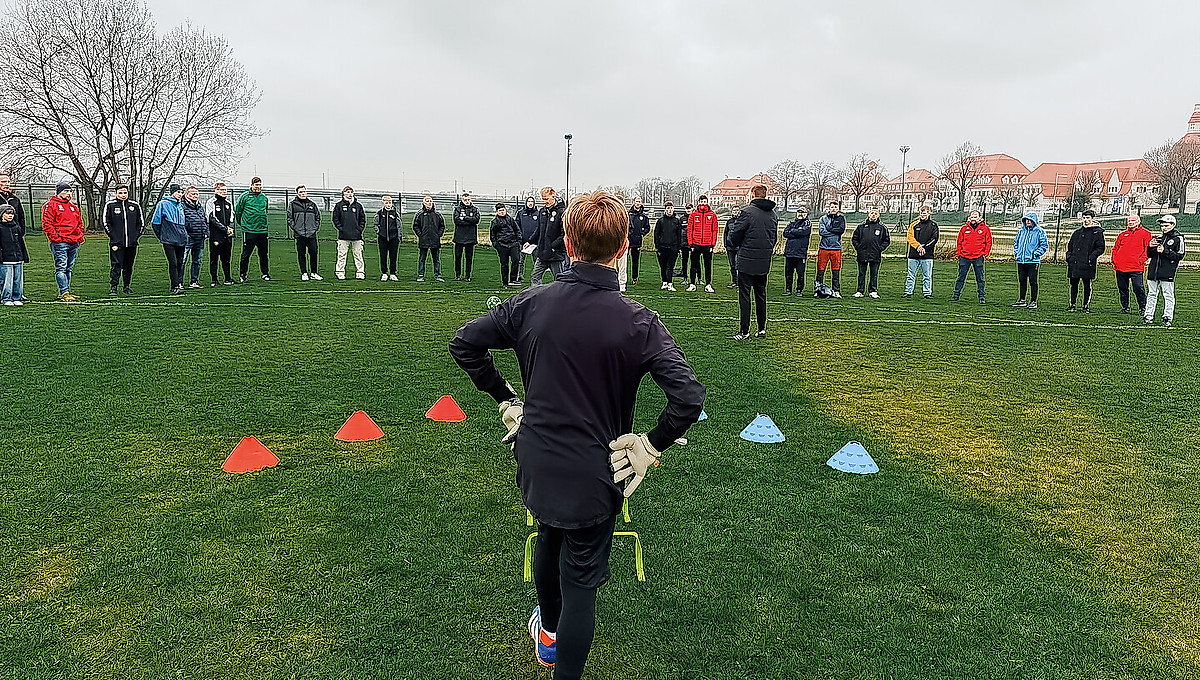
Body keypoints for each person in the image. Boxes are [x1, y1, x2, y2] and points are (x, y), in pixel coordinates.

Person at [449, 190, 705, 680]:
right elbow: (689, 398)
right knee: (580, 581)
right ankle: (554, 645)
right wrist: (651, 444)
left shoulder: (532, 303)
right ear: (624, 248)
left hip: (539, 459)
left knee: (549, 533)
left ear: (567, 243)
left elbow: (465, 343)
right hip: (597, 468)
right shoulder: (638, 320)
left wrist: (505, 398)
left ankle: (549, 634)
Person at [728, 185, 778, 339]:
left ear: (752, 195)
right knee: (761, 295)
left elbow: (735, 237)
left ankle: (744, 331)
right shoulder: (773, 215)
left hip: (747, 261)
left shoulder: (747, 213)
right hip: (763, 261)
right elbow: (774, 238)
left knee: (745, 296)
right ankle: (761, 329)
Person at [42, 182, 85, 301]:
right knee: (61, 267)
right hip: (60, 242)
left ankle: (66, 291)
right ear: (59, 192)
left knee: (68, 268)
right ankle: (64, 292)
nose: (69, 194)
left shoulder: (73, 207)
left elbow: (79, 223)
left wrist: (79, 236)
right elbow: (47, 224)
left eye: (70, 191)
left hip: (74, 241)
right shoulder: (51, 205)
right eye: (65, 191)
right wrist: (56, 238)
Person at [1145, 214, 1186, 327]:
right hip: (1153, 271)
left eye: (1166, 226)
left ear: (1173, 225)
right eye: (1162, 226)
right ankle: (1148, 316)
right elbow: (1149, 255)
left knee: (1168, 295)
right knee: (1151, 294)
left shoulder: (1178, 238)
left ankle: (1167, 317)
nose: (1163, 228)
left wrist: (1165, 251)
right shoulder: (1159, 238)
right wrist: (1150, 246)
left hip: (1167, 271)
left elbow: (1180, 255)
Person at [103, 183, 144, 295]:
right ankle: (114, 287)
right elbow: (106, 222)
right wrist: (113, 236)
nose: (123, 195)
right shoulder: (110, 205)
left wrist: (135, 237)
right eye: (120, 193)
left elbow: (140, 223)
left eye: (125, 192)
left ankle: (126, 287)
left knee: (128, 266)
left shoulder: (134, 206)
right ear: (116, 194)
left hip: (131, 243)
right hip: (117, 243)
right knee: (116, 265)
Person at [1112, 213, 1152, 315]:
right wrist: (1115, 260)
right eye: (1129, 220)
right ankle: (1125, 307)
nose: (1130, 222)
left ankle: (1143, 308)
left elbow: (1147, 250)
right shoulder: (1122, 235)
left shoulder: (1146, 234)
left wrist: (1140, 261)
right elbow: (1115, 248)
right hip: (1120, 267)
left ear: (1138, 221)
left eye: (1133, 220)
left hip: (1136, 267)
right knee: (1122, 288)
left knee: (1138, 288)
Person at [1065, 209, 1105, 312]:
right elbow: (1070, 246)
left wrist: (1091, 258)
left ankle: (1085, 306)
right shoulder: (1077, 233)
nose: (1086, 220)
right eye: (1084, 218)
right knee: (1074, 285)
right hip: (1075, 263)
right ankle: (1072, 304)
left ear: (1092, 219)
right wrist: (1069, 257)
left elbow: (1100, 248)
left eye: (1088, 218)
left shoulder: (1097, 233)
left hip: (1088, 264)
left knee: (1087, 285)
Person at [151, 184, 188, 294]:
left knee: (180, 262)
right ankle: (174, 286)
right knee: (173, 263)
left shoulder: (181, 205)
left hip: (181, 238)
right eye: (178, 192)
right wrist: (162, 236)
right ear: (172, 192)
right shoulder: (163, 204)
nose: (180, 194)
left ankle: (179, 283)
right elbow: (155, 222)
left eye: (181, 192)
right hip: (169, 239)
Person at [528, 186, 568, 285]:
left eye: (546, 199)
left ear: (553, 196)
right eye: (543, 199)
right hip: (542, 252)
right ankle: (537, 293)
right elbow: (539, 230)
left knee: (559, 279)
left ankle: (560, 294)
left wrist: (552, 246)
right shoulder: (542, 211)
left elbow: (564, 234)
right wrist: (530, 241)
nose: (544, 202)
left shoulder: (561, 212)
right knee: (535, 276)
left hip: (555, 254)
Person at [952, 209, 991, 304]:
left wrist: (985, 253)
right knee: (961, 277)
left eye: (975, 217)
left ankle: (981, 297)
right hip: (964, 257)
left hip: (978, 257)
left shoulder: (985, 229)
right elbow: (959, 242)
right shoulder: (964, 229)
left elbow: (988, 242)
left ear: (979, 218)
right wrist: (959, 254)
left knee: (980, 278)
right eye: (972, 217)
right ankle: (956, 295)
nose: (973, 219)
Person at [1011, 211, 1049, 309]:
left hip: (1033, 261)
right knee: (1022, 281)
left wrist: (1034, 254)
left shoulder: (1039, 231)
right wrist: (1017, 253)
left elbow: (1044, 245)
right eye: (1026, 220)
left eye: (1030, 220)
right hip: (1021, 260)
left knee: (1033, 281)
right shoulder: (1021, 232)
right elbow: (1016, 243)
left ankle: (1033, 301)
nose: (1028, 221)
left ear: (1034, 221)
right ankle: (1022, 300)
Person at [235, 177, 270, 282]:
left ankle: (265, 273)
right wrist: (244, 225)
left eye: (260, 185)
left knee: (263, 254)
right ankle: (243, 274)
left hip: (262, 230)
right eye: (256, 185)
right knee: (246, 254)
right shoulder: (244, 196)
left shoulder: (264, 198)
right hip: (249, 230)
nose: (258, 187)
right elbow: (238, 212)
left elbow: (265, 211)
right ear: (251, 185)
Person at [851, 208, 890, 298]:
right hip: (862, 254)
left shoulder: (882, 228)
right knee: (861, 274)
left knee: (874, 274)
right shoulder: (861, 227)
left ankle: (873, 291)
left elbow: (886, 240)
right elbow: (855, 238)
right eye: (872, 213)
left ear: (878, 215)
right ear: (869, 214)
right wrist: (858, 248)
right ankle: (860, 291)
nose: (873, 215)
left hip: (875, 254)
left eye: (876, 213)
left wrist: (880, 249)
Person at [0, 172, 27, 301]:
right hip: (2, 236)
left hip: (14, 236)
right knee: (5, 269)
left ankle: (17, 293)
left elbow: (21, 216)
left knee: (16, 268)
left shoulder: (15, 199)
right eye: (3, 182)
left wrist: (20, 231)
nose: (7, 184)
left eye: (8, 182)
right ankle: (6, 294)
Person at [206, 182, 238, 286]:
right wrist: (224, 229)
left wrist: (230, 228)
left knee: (226, 258)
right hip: (216, 236)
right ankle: (214, 280)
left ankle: (228, 278)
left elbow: (232, 218)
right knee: (214, 258)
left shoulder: (229, 203)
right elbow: (212, 218)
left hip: (227, 236)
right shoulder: (211, 202)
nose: (224, 192)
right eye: (221, 190)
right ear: (216, 190)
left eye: (225, 190)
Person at [684, 195, 718, 292]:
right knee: (693, 265)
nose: (703, 203)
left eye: (704, 201)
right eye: (701, 201)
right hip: (696, 244)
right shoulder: (693, 215)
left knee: (708, 266)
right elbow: (690, 230)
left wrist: (712, 244)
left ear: (707, 202)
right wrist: (691, 243)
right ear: (698, 202)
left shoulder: (712, 215)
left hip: (707, 244)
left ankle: (708, 284)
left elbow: (714, 230)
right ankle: (692, 284)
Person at [287, 185, 322, 281]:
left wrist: (314, 228)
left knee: (313, 253)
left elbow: (318, 217)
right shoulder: (293, 204)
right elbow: (289, 218)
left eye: (304, 192)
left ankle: (314, 273)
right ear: (297, 193)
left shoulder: (312, 204)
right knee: (301, 254)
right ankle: (304, 273)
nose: (303, 194)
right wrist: (296, 228)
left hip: (311, 234)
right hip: (300, 234)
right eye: (301, 192)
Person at [904, 205, 938, 299]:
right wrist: (918, 246)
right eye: (921, 213)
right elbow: (910, 238)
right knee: (911, 275)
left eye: (925, 213)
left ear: (929, 213)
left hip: (927, 255)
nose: (923, 215)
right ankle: (908, 292)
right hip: (913, 254)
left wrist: (925, 248)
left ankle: (927, 293)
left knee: (927, 276)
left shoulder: (933, 225)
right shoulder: (914, 225)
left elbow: (934, 239)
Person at [332, 186, 366, 280]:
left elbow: (362, 219)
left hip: (357, 236)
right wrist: (341, 229)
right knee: (342, 255)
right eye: (347, 192)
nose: (349, 194)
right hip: (343, 236)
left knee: (358, 255)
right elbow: (335, 219)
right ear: (344, 193)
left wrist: (359, 229)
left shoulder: (358, 206)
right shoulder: (339, 205)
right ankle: (340, 272)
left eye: (351, 192)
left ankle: (360, 272)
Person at [815, 200, 846, 297]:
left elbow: (841, 230)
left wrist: (830, 229)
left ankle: (836, 290)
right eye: (832, 207)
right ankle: (818, 290)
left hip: (836, 248)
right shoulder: (823, 219)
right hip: (824, 248)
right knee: (820, 270)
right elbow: (822, 232)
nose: (834, 209)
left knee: (835, 270)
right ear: (829, 208)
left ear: (838, 209)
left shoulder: (841, 218)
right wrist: (834, 232)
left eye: (835, 207)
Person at [412, 194, 445, 282]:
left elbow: (442, 226)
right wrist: (420, 234)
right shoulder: (419, 214)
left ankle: (438, 275)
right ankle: (421, 275)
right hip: (424, 240)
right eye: (427, 201)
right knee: (422, 259)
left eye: (430, 201)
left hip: (435, 240)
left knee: (436, 259)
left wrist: (438, 235)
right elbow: (415, 226)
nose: (429, 203)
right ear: (423, 203)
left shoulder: (437, 215)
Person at [654, 201, 685, 291]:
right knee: (663, 266)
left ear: (673, 209)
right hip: (662, 247)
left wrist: (679, 247)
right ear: (665, 210)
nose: (670, 210)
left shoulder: (676, 221)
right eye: (668, 208)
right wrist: (657, 246)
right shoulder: (660, 221)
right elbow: (656, 234)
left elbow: (679, 234)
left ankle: (670, 283)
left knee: (670, 266)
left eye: (671, 208)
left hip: (673, 247)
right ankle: (664, 282)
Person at [181, 186, 207, 288]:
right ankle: (179, 282)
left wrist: (206, 232)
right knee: (183, 261)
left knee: (197, 261)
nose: (195, 196)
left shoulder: (200, 207)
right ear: (187, 194)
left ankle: (194, 281)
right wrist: (185, 234)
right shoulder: (182, 206)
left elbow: (204, 220)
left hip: (200, 238)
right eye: (193, 194)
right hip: (188, 238)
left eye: (196, 194)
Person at [490, 202, 522, 287]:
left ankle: (513, 279)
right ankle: (505, 282)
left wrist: (518, 241)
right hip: (502, 245)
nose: (502, 212)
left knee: (516, 260)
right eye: (500, 211)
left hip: (513, 243)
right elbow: (492, 235)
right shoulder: (495, 222)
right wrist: (496, 245)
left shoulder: (510, 219)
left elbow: (517, 230)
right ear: (497, 212)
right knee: (504, 264)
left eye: (503, 210)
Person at [782, 206, 811, 296]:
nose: (800, 214)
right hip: (790, 252)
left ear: (806, 214)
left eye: (802, 212)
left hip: (800, 253)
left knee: (800, 273)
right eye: (799, 212)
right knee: (788, 273)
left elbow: (803, 232)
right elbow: (785, 233)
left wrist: (792, 232)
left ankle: (799, 290)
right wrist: (796, 231)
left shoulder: (807, 224)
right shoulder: (792, 223)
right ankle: (788, 290)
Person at [624, 196, 651, 287]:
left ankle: (634, 278)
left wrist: (642, 234)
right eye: (636, 201)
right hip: (627, 241)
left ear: (641, 203)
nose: (638, 203)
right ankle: (623, 278)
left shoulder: (643, 216)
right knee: (624, 261)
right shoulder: (628, 214)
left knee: (635, 261)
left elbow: (647, 227)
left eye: (639, 201)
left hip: (637, 241)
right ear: (633, 202)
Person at [453, 191, 480, 281]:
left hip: (470, 237)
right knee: (458, 257)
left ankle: (467, 276)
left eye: (468, 199)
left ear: (470, 199)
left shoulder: (475, 209)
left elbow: (476, 220)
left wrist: (464, 218)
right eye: (465, 200)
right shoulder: (457, 209)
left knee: (469, 258)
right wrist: (470, 221)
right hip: (459, 237)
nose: (467, 201)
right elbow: (457, 220)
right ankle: (458, 275)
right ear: (462, 200)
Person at [375, 194, 402, 281]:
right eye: (386, 203)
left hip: (393, 238)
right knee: (383, 256)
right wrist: (379, 232)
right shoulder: (380, 213)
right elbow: (376, 224)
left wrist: (399, 236)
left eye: (390, 202)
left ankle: (393, 273)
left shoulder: (395, 214)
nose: (388, 204)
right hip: (382, 238)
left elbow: (399, 226)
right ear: (383, 203)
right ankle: (384, 273)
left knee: (393, 256)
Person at [515, 196, 540, 284]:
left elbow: (539, 228)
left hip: (534, 242)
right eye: (528, 201)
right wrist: (520, 238)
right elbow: (517, 226)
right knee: (520, 261)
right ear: (526, 203)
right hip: (523, 242)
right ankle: (519, 276)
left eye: (532, 201)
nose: (530, 203)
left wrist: (532, 239)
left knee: (536, 261)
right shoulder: (520, 213)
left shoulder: (538, 213)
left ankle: (536, 278)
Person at [724, 206, 741, 288]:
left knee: (738, 265)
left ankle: (739, 282)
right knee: (732, 265)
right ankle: (734, 281)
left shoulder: (742, 221)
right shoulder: (729, 222)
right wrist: (725, 244)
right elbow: (725, 233)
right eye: (734, 210)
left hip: (739, 247)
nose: (735, 212)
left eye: (737, 210)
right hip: (730, 247)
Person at [678, 203, 693, 280]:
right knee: (684, 261)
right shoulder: (682, 219)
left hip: (693, 243)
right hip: (684, 243)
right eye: (687, 208)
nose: (688, 210)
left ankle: (698, 278)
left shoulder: (695, 217)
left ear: (692, 209)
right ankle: (685, 278)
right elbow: (679, 231)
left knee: (695, 262)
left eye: (689, 208)